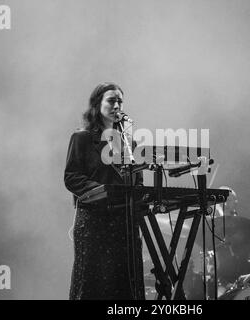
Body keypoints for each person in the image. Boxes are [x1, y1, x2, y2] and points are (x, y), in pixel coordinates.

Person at [64, 82, 145, 300]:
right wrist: (104, 192)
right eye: (111, 100)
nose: (117, 105)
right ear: (97, 104)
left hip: (123, 223)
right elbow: (72, 177)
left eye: (120, 101)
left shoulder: (130, 143)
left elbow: (138, 182)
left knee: (125, 284)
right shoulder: (82, 138)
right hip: (94, 222)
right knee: (93, 284)